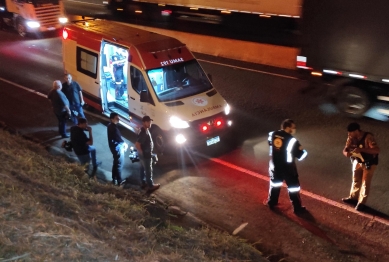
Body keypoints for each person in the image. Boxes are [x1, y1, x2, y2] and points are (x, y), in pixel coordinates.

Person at [264, 119, 308, 214]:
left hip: (274, 166)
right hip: (288, 169)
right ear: (288, 128)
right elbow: (301, 156)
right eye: (293, 127)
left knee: (275, 185)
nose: (294, 129)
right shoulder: (292, 141)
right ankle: (297, 208)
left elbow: (269, 142)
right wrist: (303, 150)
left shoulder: (272, 134)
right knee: (293, 188)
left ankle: (272, 202)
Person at [342, 122, 380, 211]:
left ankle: (361, 202)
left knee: (365, 183)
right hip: (357, 161)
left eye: (351, 132)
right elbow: (345, 149)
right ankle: (353, 197)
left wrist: (362, 149)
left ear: (356, 131)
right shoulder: (351, 138)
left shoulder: (368, 137)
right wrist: (346, 153)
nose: (349, 135)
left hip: (369, 163)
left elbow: (376, 150)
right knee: (356, 180)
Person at [135, 116, 160, 192]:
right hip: (146, 155)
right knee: (148, 170)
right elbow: (137, 144)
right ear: (144, 122)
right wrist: (142, 153)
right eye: (148, 122)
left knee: (142, 168)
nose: (150, 123)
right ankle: (151, 185)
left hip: (144, 155)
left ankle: (142, 182)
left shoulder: (145, 130)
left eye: (150, 121)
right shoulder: (143, 132)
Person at [107, 112, 128, 186]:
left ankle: (114, 177)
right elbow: (119, 139)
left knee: (115, 163)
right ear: (112, 119)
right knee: (119, 164)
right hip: (118, 149)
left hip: (113, 147)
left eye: (118, 117)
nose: (119, 119)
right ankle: (119, 181)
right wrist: (124, 144)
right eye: (117, 118)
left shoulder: (109, 125)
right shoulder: (114, 128)